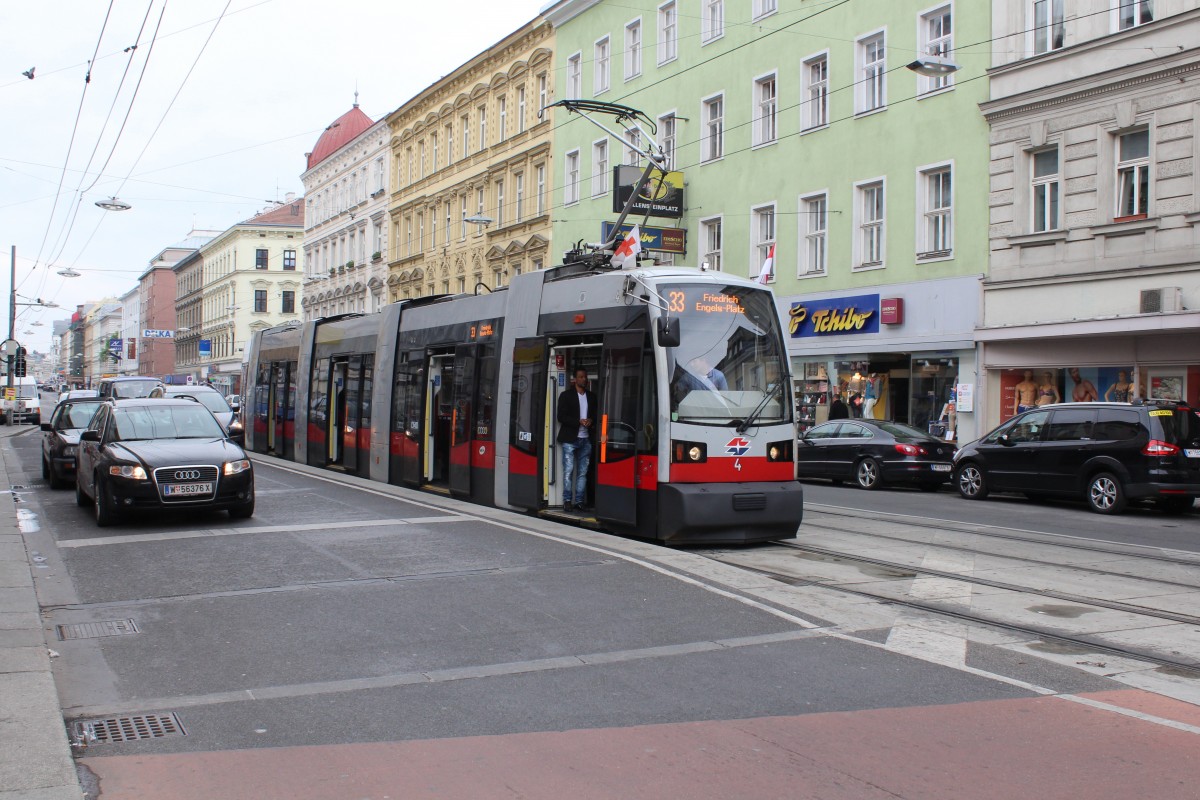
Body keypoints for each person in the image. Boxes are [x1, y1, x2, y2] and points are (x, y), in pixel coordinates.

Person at [556, 367, 595, 513]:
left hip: (586, 440)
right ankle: (567, 501)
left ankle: (579, 501)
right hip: (570, 439)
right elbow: (561, 417)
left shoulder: (592, 397)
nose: (583, 379)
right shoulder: (566, 396)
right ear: (575, 379)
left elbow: (596, 415)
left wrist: (590, 420)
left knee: (582, 472)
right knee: (568, 471)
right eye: (580, 377)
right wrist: (579, 421)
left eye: (585, 377)